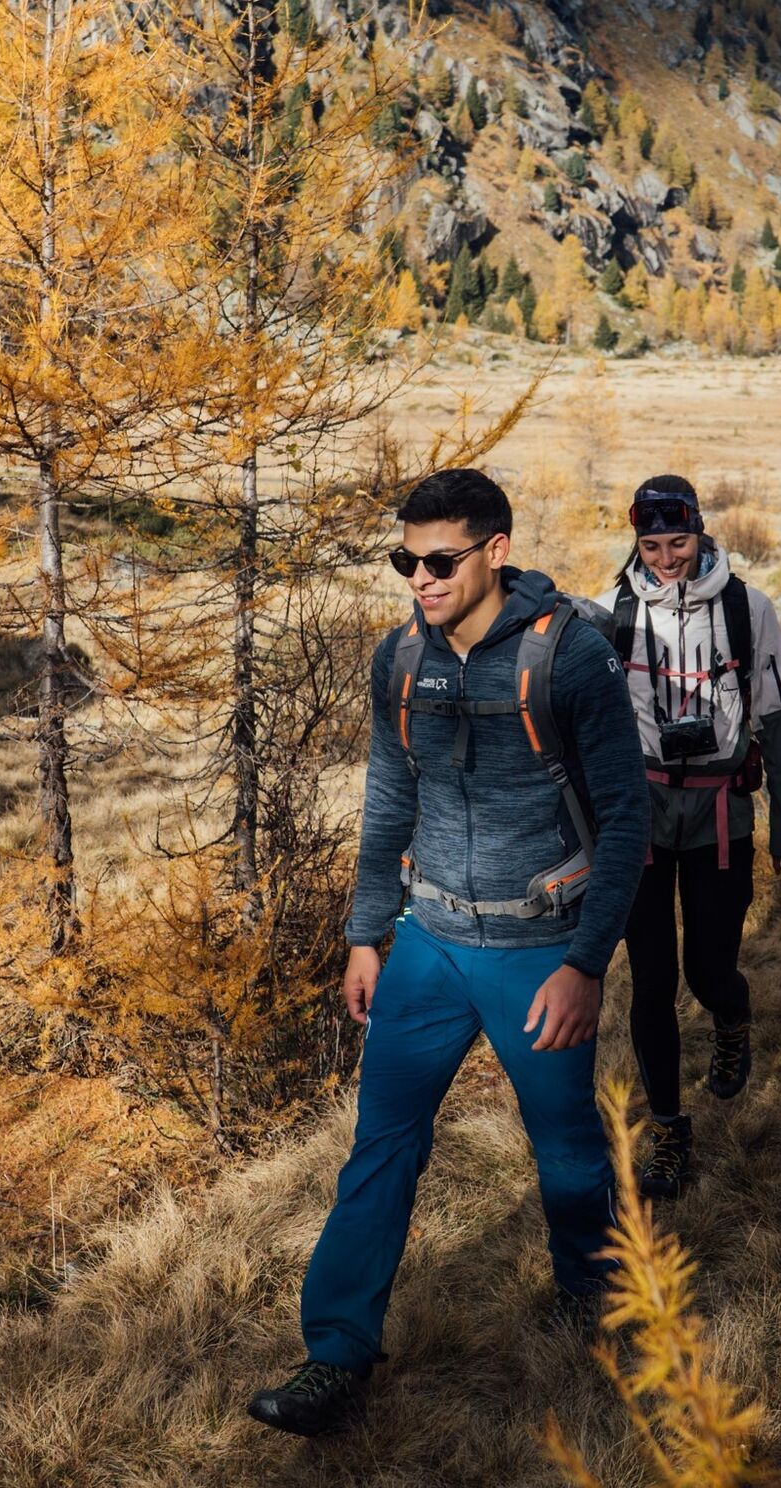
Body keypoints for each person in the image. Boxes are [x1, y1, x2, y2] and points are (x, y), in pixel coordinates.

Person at [248, 468, 650, 1439]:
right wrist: (365, 933)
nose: (420, 578)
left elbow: (627, 819)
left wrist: (586, 962)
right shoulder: (398, 659)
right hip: (426, 943)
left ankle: (593, 1297)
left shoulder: (570, 658)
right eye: (405, 561)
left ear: (496, 551)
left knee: (566, 1151)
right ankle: (335, 1353)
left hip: (537, 948)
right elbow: (389, 799)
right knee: (380, 1144)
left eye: (439, 560)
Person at [602, 473, 781, 1201]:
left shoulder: (749, 609)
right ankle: (669, 1133)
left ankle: (731, 1017)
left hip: (721, 812)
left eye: (679, 542)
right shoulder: (611, 613)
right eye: (652, 546)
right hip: (640, 815)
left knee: (709, 972)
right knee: (652, 981)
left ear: (701, 532)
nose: (666, 559)